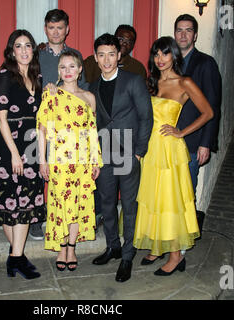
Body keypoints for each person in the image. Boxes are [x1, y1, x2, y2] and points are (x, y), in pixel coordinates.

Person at [133, 36, 214, 276]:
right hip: (150, 149)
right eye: (156, 54)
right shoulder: (151, 82)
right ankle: (157, 247)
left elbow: (208, 112)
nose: (160, 59)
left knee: (170, 201)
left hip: (169, 150)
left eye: (165, 54)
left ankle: (176, 256)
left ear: (174, 56)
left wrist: (181, 132)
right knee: (153, 198)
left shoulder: (184, 82)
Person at [89, 33, 153, 282]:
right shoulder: (92, 86)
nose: (107, 59)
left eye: (111, 54)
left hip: (128, 152)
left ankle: (127, 255)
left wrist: (139, 151)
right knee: (106, 203)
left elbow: (146, 117)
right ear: (95, 57)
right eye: (101, 54)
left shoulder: (134, 81)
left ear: (119, 55)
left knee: (128, 205)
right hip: (104, 153)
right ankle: (113, 247)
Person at [37, 51, 102, 272]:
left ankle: (71, 248)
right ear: (58, 71)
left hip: (82, 161)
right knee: (60, 204)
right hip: (59, 161)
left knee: (77, 204)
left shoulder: (89, 97)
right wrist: (42, 161)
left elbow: (92, 132)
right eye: (63, 67)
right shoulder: (51, 95)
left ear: (80, 69)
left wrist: (95, 162)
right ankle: (61, 246)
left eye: (71, 67)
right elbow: (42, 129)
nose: (67, 72)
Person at [0, 30, 46, 280]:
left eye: (28, 46)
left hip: (32, 147)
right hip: (9, 148)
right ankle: (17, 259)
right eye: (18, 46)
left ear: (33, 50)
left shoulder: (37, 76)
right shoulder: (5, 76)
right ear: (12, 51)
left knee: (26, 203)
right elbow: (1, 117)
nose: (23, 51)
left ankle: (15, 257)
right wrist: (14, 154)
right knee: (8, 202)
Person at [30, 8, 88, 241]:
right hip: (40, 118)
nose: (56, 32)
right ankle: (37, 218)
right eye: (51, 27)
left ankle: (70, 218)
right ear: (45, 29)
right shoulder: (36, 54)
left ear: (67, 29)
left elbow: (80, 89)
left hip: (67, 126)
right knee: (39, 168)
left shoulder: (75, 55)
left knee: (65, 174)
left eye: (60, 27)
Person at [174, 14, 221, 193]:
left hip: (192, 142)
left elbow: (213, 106)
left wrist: (206, 143)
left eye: (188, 30)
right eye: (179, 30)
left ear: (195, 35)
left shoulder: (206, 63)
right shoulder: (168, 63)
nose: (183, 35)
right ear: (175, 34)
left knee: (185, 194)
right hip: (169, 142)